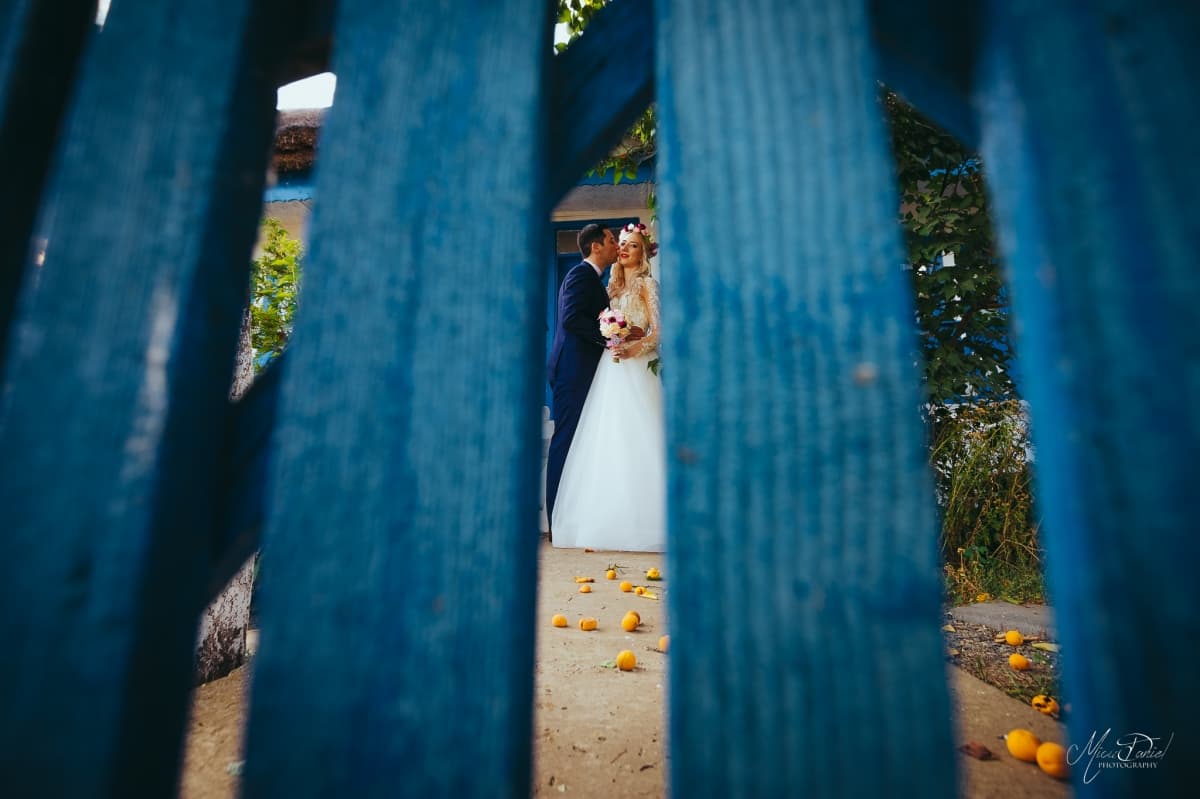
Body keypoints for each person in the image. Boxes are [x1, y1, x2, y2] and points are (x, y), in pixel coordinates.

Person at [551, 223, 665, 552]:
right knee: (608, 442)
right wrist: (612, 337)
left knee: (644, 437)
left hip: (636, 366)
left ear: (643, 254)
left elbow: (657, 332)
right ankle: (610, 521)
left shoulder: (647, 284)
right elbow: (583, 321)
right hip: (610, 371)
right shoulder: (609, 289)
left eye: (632, 245)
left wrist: (633, 347)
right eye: (621, 242)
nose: (624, 248)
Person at [546, 224, 619, 533]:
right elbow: (572, 318)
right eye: (612, 240)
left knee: (580, 443)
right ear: (596, 247)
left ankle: (572, 516)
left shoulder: (595, 279)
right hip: (572, 370)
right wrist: (611, 339)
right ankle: (557, 521)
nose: (616, 244)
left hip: (582, 371)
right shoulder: (580, 275)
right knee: (566, 441)